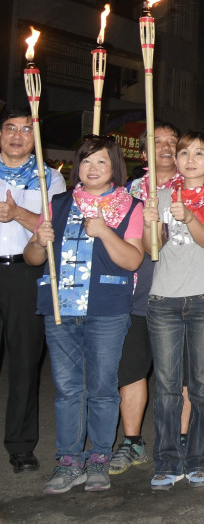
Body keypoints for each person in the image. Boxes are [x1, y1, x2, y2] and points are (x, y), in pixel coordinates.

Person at [27, 136, 144, 493]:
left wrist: (105, 231)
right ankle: (68, 460)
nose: (92, 169)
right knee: (66, 389)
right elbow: (34, 260)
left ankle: (99, 459)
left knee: (104, 389)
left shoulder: (130, 207)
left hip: (106, 310)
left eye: (101, 162)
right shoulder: (59, 202)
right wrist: (37, 240)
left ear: (114, 169)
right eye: (86, 161)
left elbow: (133, 259)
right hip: (61, 308)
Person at [142, 131, 204, 489]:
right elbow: (152, 249)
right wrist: (150, 222)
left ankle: (199, 458)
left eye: (200, 153)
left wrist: (189, 215)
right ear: (175, 159)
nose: (190, 159)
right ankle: (167, 459)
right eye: (184, 153)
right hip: (164, 299)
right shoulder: (158, 196)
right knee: (166, 386)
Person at [110, 121, 180, 475]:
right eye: (158, 141)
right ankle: (132, 440)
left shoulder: (194, 186)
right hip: (138, 293)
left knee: (179, 374)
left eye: (172, 141)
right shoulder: (127, 192)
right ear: (143, 150)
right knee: (132, 369)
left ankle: (179, 440)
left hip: (182, 292)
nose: (166, 147)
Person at [0, 106, 66, 474]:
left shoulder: (49, 178)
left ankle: (21, 445)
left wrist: (17, 215)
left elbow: (51, 225)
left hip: (26, 273)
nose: (17, 135)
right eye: (10, 127)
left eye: (26, 130)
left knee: (25, 362)